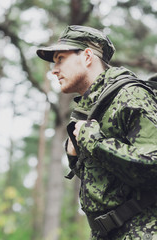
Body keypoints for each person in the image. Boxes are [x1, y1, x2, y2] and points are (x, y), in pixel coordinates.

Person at [36, 25, 157, 240]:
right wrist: (76, 159)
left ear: (87, 56)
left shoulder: (131, 95)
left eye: (60, 59)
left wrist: (91, 141)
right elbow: (113, 184)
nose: (54, 69)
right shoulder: (93, 109)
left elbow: (153, 166)